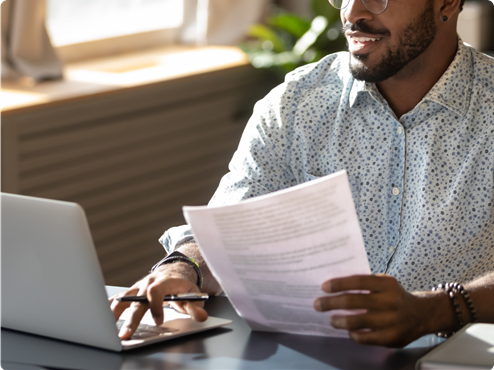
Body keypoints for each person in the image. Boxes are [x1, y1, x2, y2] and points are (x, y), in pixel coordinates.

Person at [111, 0, 494, 347]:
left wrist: (436, 311)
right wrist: (184, 267)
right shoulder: (295, 103)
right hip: (305, 355)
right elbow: (230, 230)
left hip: (455, 355)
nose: (352, 12)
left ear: (446, 4)